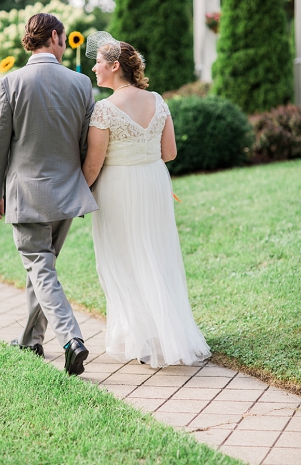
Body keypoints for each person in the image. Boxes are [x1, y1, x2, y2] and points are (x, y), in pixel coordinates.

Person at [82, 32, 211, 367]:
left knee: (124, 258)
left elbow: (93, 165)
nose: (94, 68)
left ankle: (143, 338)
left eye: (97, 63)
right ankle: (165, 333)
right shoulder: (157, 100)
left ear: (114, 66)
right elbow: (169, 152)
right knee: (156, 254)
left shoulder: (104, 109)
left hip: (119, 187)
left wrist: (75, 195)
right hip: (154, 182)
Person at [0, 13, 96, 376]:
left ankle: (71, 339)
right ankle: (32, 341)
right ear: (54, 37)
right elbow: (84, 145)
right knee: (42, 268)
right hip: (66, 194)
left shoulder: (11, 83)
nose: (64, 43)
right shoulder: (81, 84)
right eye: (63, 37)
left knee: (40, 268)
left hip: (26, 195)